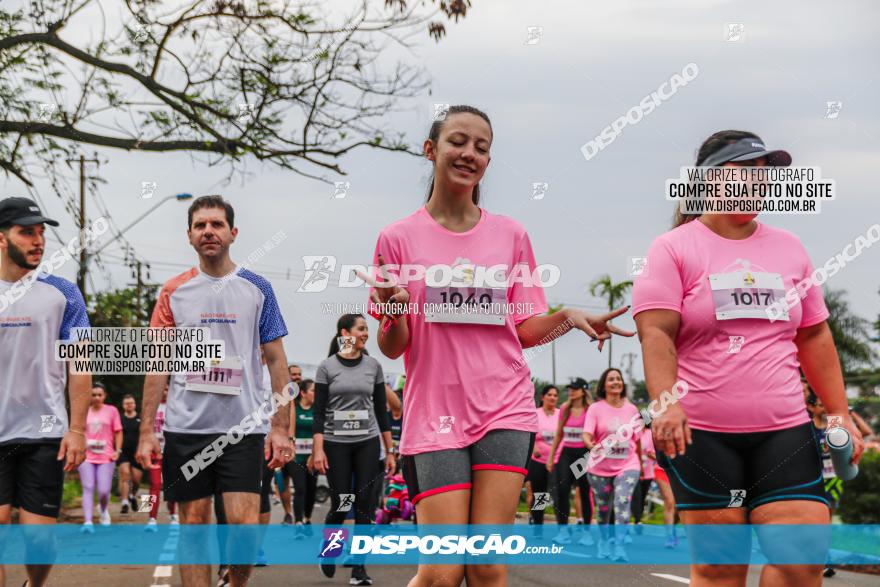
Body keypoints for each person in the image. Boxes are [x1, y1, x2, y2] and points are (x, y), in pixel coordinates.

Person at [368, 105, 633, 587]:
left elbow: (526, 329)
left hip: (505, 410)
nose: (469, 153)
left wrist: (568, 318)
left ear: (488, 161)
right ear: (431, 150)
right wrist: (394, 310)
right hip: (436, 414)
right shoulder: (397, 238)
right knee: (441, 573)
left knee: (488, 566)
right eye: (458, 142)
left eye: (481, 147)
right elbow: (391, 347)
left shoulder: (511, 236)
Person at [632, 130, 866, 586]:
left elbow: (814, 334)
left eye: (765, 173)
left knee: (801, 564)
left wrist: (839, 413)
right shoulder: (675, 248)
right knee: (721, 571)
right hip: (700, 434)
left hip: (783, 429)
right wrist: (664, 403)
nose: (759, 181)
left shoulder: (788, 248)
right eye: (746, 170)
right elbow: (656, 331)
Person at [136, 195, 294, 587]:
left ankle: (235, 581)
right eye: (200, 225)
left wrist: (280, 428)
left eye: (217, 224)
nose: (209, 231)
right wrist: (145, 432)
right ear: (189, 236)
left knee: (242, 528)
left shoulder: (258, 288)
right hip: (186, 429)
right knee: (193, 525)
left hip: (243, 430)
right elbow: (157, 363)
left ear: (233, 233)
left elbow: (276, 360)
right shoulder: (174, 291)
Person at [0, 197, 90, 587]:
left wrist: (78, 429)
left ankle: (33, 584)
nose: (39, 241)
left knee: (39, 540)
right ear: (1, 239)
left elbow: (81, 364)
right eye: (27, 232)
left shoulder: (63, 294)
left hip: (45, 433)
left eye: (41, 232)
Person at [312, 314, 394, 585]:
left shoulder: (373, 366)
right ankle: (330, 550)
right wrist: (318, 449)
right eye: (361, 329)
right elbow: (319, 413)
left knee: (365, 506)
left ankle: (359, 569)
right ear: (345, 332)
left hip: (367, 442)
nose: (366, 333)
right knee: (342, 501)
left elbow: (382, 412)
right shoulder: (327, 367)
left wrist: (390, 450)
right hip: (337, 444)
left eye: (366, 329)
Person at [583, 368, 642, 561]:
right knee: (603, 509)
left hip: (628, 464)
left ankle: (619, 546)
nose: (615, 382)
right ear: (604, 385)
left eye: (618, 378)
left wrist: (640, 462)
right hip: (599, 467)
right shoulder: (595, 409)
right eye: (611, 379)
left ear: (622, 384)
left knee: (622, 502)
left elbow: (638, 439)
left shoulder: (632, 409)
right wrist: (590, 443)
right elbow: (587, 434)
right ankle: (604, 541)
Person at [547, 379, 594, 546]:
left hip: (584, 454)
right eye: (569, 389)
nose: (571, 391)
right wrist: (551, 457)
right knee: (562, 491)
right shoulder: (565, 409)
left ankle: (587, 533)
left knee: (585, 491)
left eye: (575, 389)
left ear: (583, 391)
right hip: (567, 453)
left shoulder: (590, 410)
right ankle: (563, 531)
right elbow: (558, 435)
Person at [79, 383, 122, 531]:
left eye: (99, 395)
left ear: (104, 396)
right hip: (86, 456)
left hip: (106, 456)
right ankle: (88, 522)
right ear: (89, 396)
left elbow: (118, 431)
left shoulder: (112, 411)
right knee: (88, 487)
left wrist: (118, 450)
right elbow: (78, 430)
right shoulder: (83, 411)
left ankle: (103, 510)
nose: (96, 397)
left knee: (104, 490)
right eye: (93, 395)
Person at [634, 427, 679, 548]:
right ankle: (669, 536)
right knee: (669, 501)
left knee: (678, 506)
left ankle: (673, 528)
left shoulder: (684, 428)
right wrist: (666, 460)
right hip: (662, 470)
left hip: (679, 472)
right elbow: (650, 452)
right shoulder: (659, 430)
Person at [525, 385, 561, 530]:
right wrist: (534, 448)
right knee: (540, 495)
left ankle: (562, 529)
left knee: (559, 493)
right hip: (538, 461)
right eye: (549, 395)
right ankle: (538, 526)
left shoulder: (561, 414)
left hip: (556, 462)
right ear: (543, 397)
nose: (552, 397)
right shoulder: (535, 413)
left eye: (555, 395)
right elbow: (528, 433)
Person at [145, 385, 178, 531]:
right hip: (154, 452)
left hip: (172, 452)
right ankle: (150, 518)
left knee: (173, 485)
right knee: (154, 485)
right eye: (162, 389)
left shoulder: (175, 407)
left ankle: (174, 515)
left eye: (166, 389)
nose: (164, 392)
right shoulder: (150, 408)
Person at [288, 379, 317, 531]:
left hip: (313, 456)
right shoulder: (294, 408)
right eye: (313, 390)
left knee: (311, 490)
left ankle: (307, 518)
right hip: (296, 456)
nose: (316, 394)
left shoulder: (318, 410)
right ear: (304, 393)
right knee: (300, 488)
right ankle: (298, 521)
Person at [118, 394, 143, 514]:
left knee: (136, 480)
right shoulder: (119, 419)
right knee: (125, 475)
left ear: (135, 404)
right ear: (123, 405)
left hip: (138, 452)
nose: (129, 405)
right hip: (123, 452)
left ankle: (132, 496)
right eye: (127, 403)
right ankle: (124, 503)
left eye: (131, 403)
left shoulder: (141, 418)